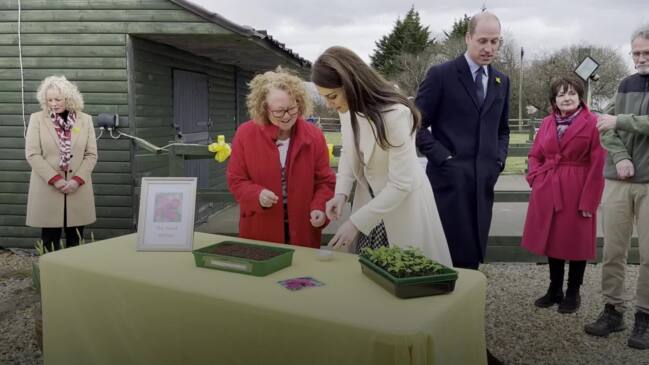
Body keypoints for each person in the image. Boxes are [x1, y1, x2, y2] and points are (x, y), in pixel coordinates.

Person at [311, 46, 452, 267]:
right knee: (367, 274)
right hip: (368, 205)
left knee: (407, 273)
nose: (329, 104)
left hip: (404, 207)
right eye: (324, 97)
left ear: (351, 83)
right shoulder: (346, 108)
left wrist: (355, 223)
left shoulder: (396, 114)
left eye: (332, 96)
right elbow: (349, 151)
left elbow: (400, 184)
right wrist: (340, 194)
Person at [415, 11, 510, 270]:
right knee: (444, 258)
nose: (489, 48)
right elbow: (415, 125)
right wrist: (443, 158)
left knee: (471, 261)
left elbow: (503, 129)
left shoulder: (502, 81)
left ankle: (466, 304)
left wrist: (498, 160)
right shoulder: (441, 75)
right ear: (468, 37)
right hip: (449, 183)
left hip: (483, 182)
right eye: (482, 41)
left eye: (495, 41)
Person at [584, 24, 649, 349]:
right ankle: (613, 309)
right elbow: (603, 126)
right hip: (619, 180)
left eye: (646, 53)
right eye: (636, 52)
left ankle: (645, 316)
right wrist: (621, 156)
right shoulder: (624, 85)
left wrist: (621, 121)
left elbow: (616, 122)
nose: (640, 58)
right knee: (613, 250)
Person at [521, 76, 605, 313]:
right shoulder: (547, 122)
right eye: (561, 94)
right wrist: (535, 178)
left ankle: (573, 292)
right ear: (554, 100)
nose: (566, 98)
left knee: (576, 242)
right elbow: (535, 154)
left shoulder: (592, 123)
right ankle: (554, 288)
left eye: (571, 93)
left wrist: (590, 199)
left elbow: (598, 164)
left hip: (577, 188)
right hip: (548, 188)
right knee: (552, 240)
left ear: (579, 97)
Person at [227, 69, 336, 248]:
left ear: (299, 103)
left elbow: (325, 181)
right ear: (264, 108)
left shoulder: (314, 136)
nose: (286, 116)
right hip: (260, 229)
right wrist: (257, 195)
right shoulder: (245, 134)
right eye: (279, 111)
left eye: (292, 109)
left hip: (303, 229)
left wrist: (319, 207)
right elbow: (236, 180)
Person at [25, 75, 97, 250]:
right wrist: (56, 179)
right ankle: (51, 276)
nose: (53, 103)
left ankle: (74, 275)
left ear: (69, 98)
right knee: (49, 241)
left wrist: (76, 180)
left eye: (58, 99)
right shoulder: (37, 119)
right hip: (48, 187)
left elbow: (91, 154)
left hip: (77, 189)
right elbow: (32, 154)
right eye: (49, 99)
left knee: (76, 242)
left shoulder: (85, 120)